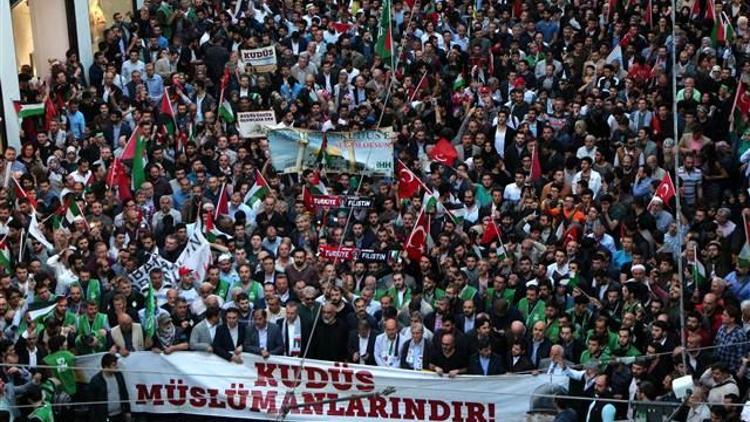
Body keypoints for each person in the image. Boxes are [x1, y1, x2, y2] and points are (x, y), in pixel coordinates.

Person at [88, 353, 131, 422]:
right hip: (105, 417)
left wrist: (127, 411)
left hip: (120, 415)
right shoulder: (95, 381)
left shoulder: (119, 376)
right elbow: (92, 403)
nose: (116, 367)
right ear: (105, 366)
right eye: (114, 365)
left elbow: (124, 393)